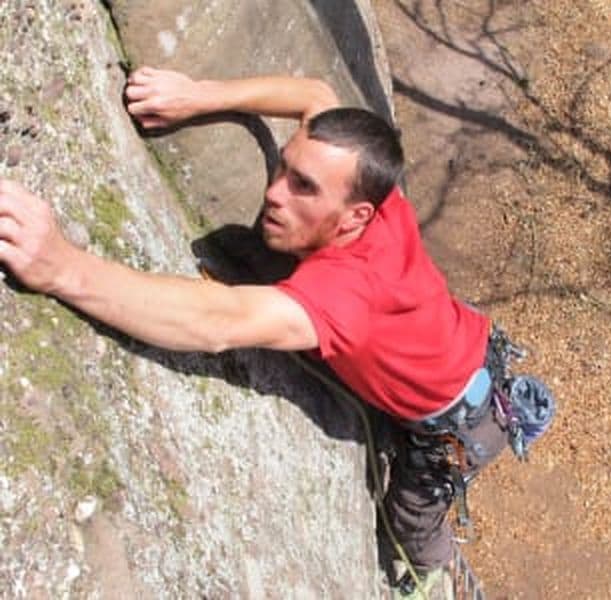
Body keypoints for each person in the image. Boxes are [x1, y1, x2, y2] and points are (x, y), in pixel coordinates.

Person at [0, 67, 516, 598]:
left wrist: (62, 268)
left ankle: (442, 573)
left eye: (304, 188)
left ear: (355, 216)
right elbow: (314, 96)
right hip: (465, 346)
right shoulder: (369, 188)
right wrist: (197, 95)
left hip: (456, 422)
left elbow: (215, 321)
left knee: (409, 524)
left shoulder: (343, 298)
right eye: (286, 168)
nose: (275, 193)